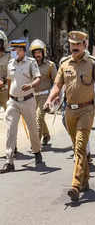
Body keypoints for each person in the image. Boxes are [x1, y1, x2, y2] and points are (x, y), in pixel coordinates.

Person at [44, 31, 95, 202]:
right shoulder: (64, 63)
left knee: (79, 147)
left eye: (78, 44)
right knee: (77, 148)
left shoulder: (93, 64)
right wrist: (49, 100)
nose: (74, 47)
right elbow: (57, 86)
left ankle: (76, 185)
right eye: (72, 44)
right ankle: (85, 180)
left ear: (84, 45)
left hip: (87, 110)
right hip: (69, 111)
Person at [1, 40, 43, 174]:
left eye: (17, 50)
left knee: (32, 129)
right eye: (13, 50)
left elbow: (37, 78)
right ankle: (9, 161)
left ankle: (37, 152)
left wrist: (31, 85)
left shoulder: (31, 62)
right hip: (13, 101)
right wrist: (8, 99)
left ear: (23, 50)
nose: (15, 52)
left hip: (28, 100)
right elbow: (9, 80)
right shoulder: (10, 64)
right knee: (10, 129)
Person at [30, 39, 57, 146]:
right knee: (36, 118)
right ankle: (46, 135)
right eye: (35, 52)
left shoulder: (50, 65)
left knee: (39, 117)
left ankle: (35, 144)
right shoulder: (30, 65)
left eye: (39, 52)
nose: (37, 55)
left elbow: (56, 82)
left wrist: (55, 97)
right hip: (32, 96)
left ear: (43, 52)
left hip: (45, 96)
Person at [0, 30, 10, 111]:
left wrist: (4, 81)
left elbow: (13, 73)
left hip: (5, 90)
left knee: (9, 115)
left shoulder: (9, 56)